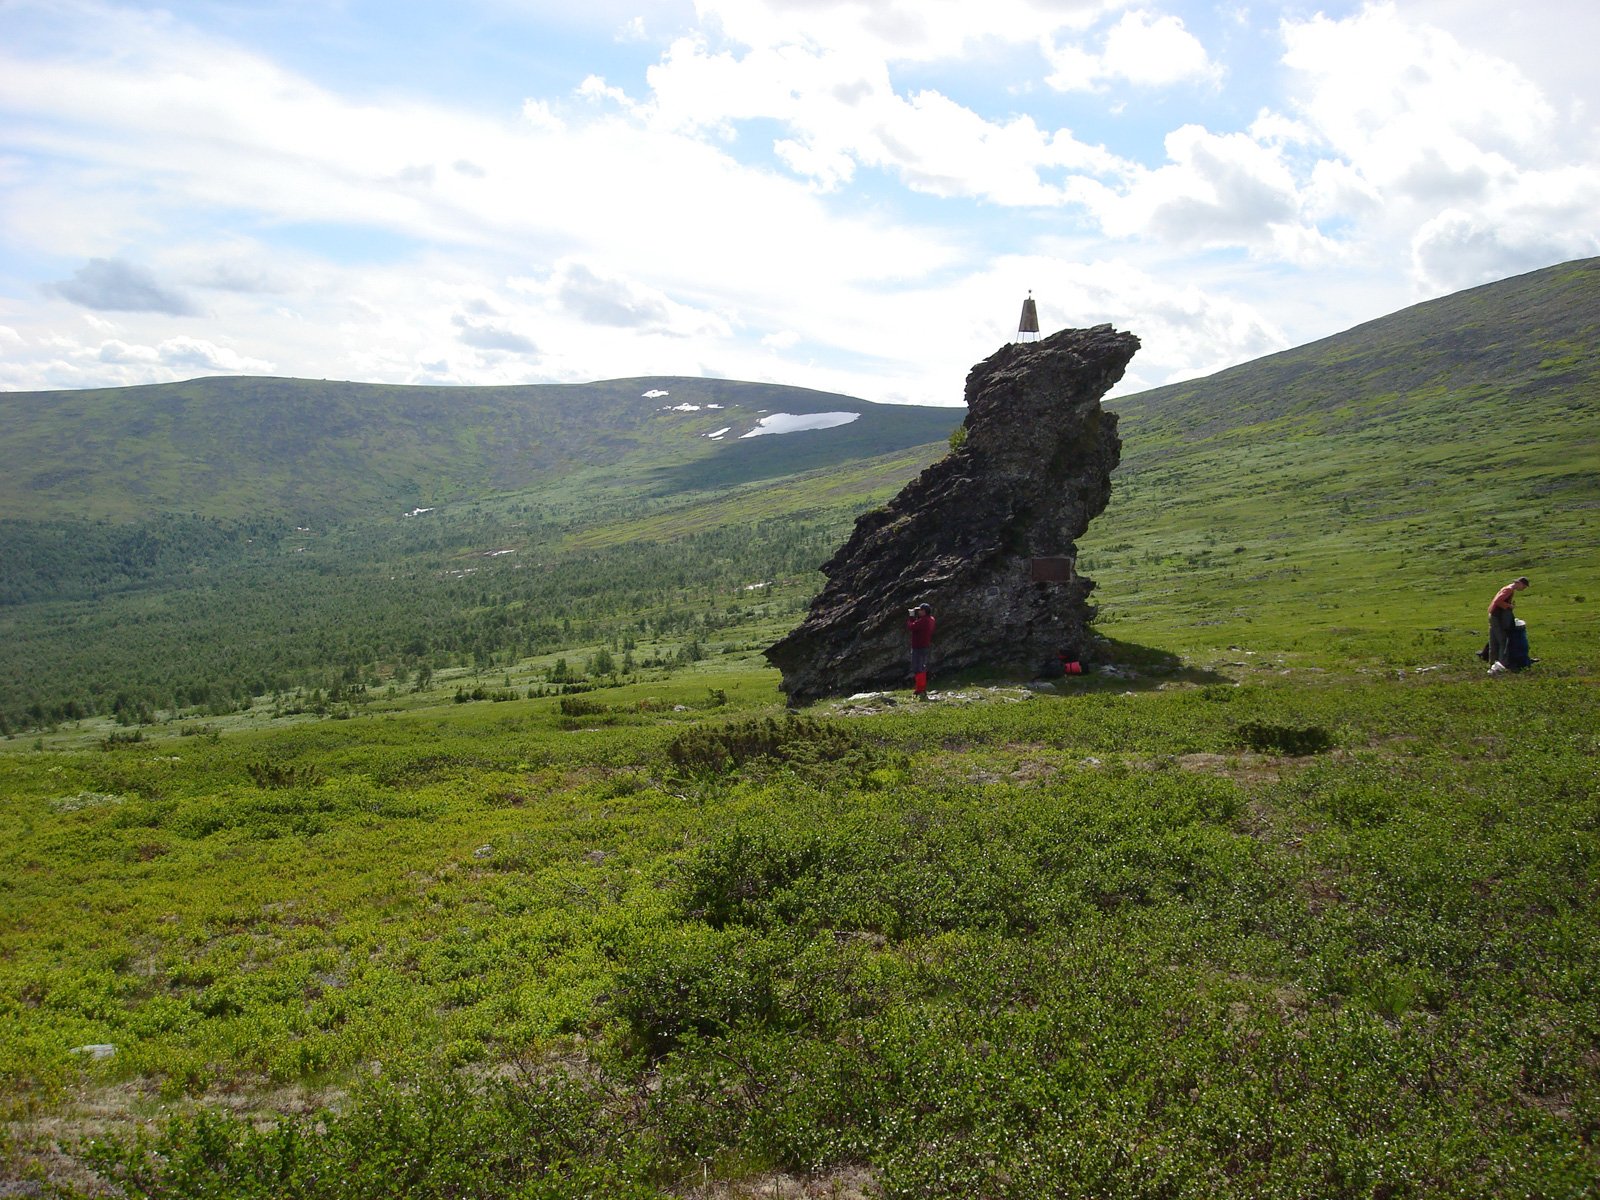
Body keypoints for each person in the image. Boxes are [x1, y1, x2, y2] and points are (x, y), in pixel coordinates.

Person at [1486, 576, 1529, 674]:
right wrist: (1509, 606)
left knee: (1493, 641)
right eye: (1524, 586)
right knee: (1502, 640)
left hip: (1493, 615)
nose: (1523, 589)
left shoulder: (1507, 588)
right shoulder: (1509, 590)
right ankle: (1502, 664)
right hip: (1497, 617)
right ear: (1519, 583)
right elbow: (1498, 601)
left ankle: (1492, 663)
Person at [906, 602, 935, 699]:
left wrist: (911, 616)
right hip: (925, 646)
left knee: (918, 668)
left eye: (920, 610)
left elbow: (911, 626)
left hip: (918, 647)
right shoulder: (931, 619)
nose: (918, 612)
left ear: (924, 611)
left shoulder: (924, 621)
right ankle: (921, 688)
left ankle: (920, 689)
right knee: (922, 666)